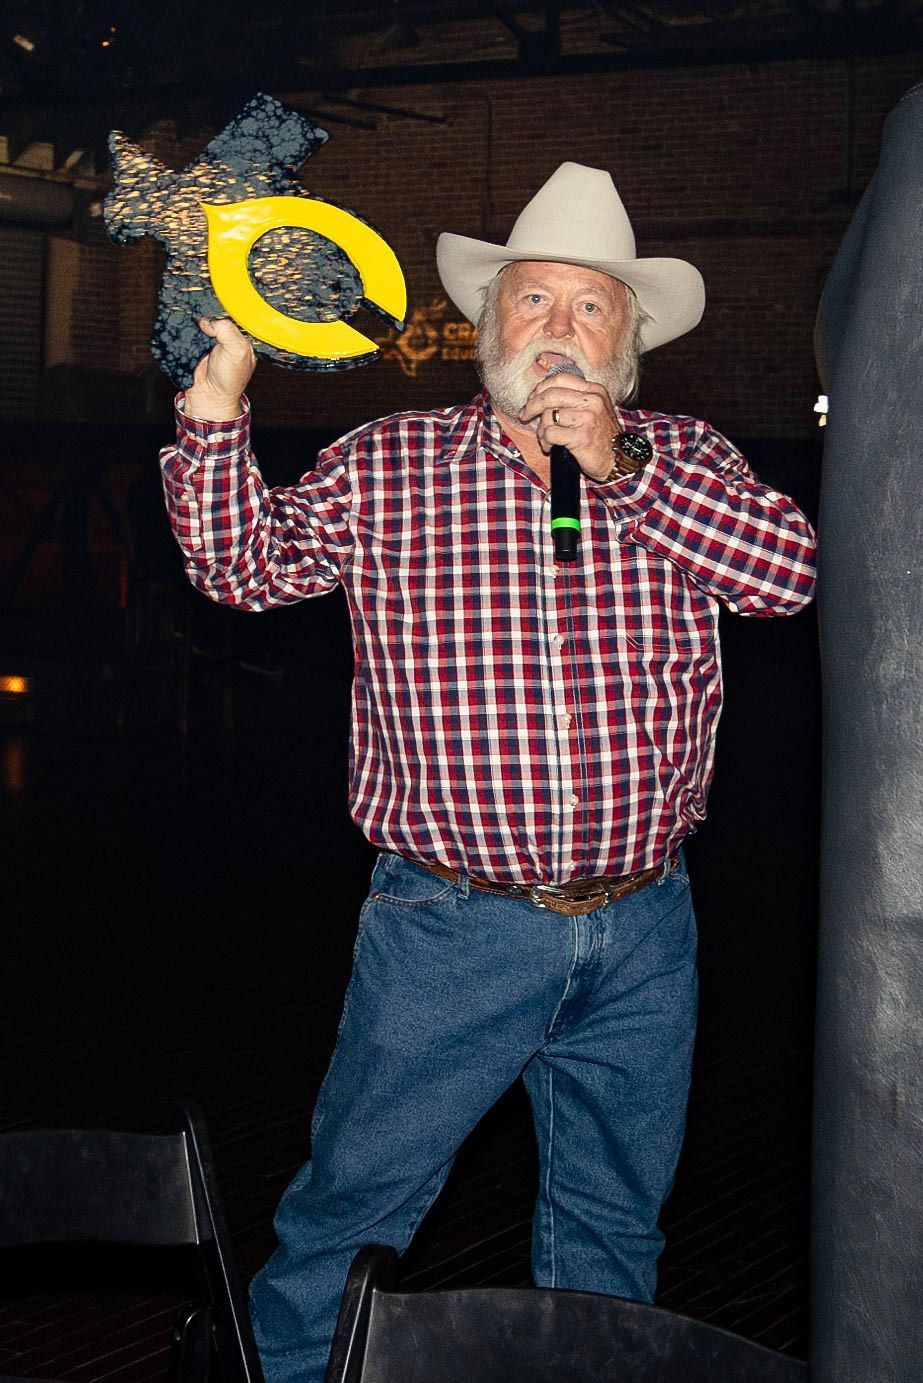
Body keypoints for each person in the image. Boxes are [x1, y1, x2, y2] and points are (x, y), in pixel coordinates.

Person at [159, 161, 816, 1383]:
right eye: (535, 301)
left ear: (629, 345)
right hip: (447, 926)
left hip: (645, 927)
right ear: (486, 322)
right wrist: (214, 411)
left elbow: (783, 576)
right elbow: (243, 570)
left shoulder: (685, 461)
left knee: (612, 1229)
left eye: (591, 308)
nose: (559, 330)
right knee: (352, 1212)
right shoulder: (390, 464)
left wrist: (620, 473)